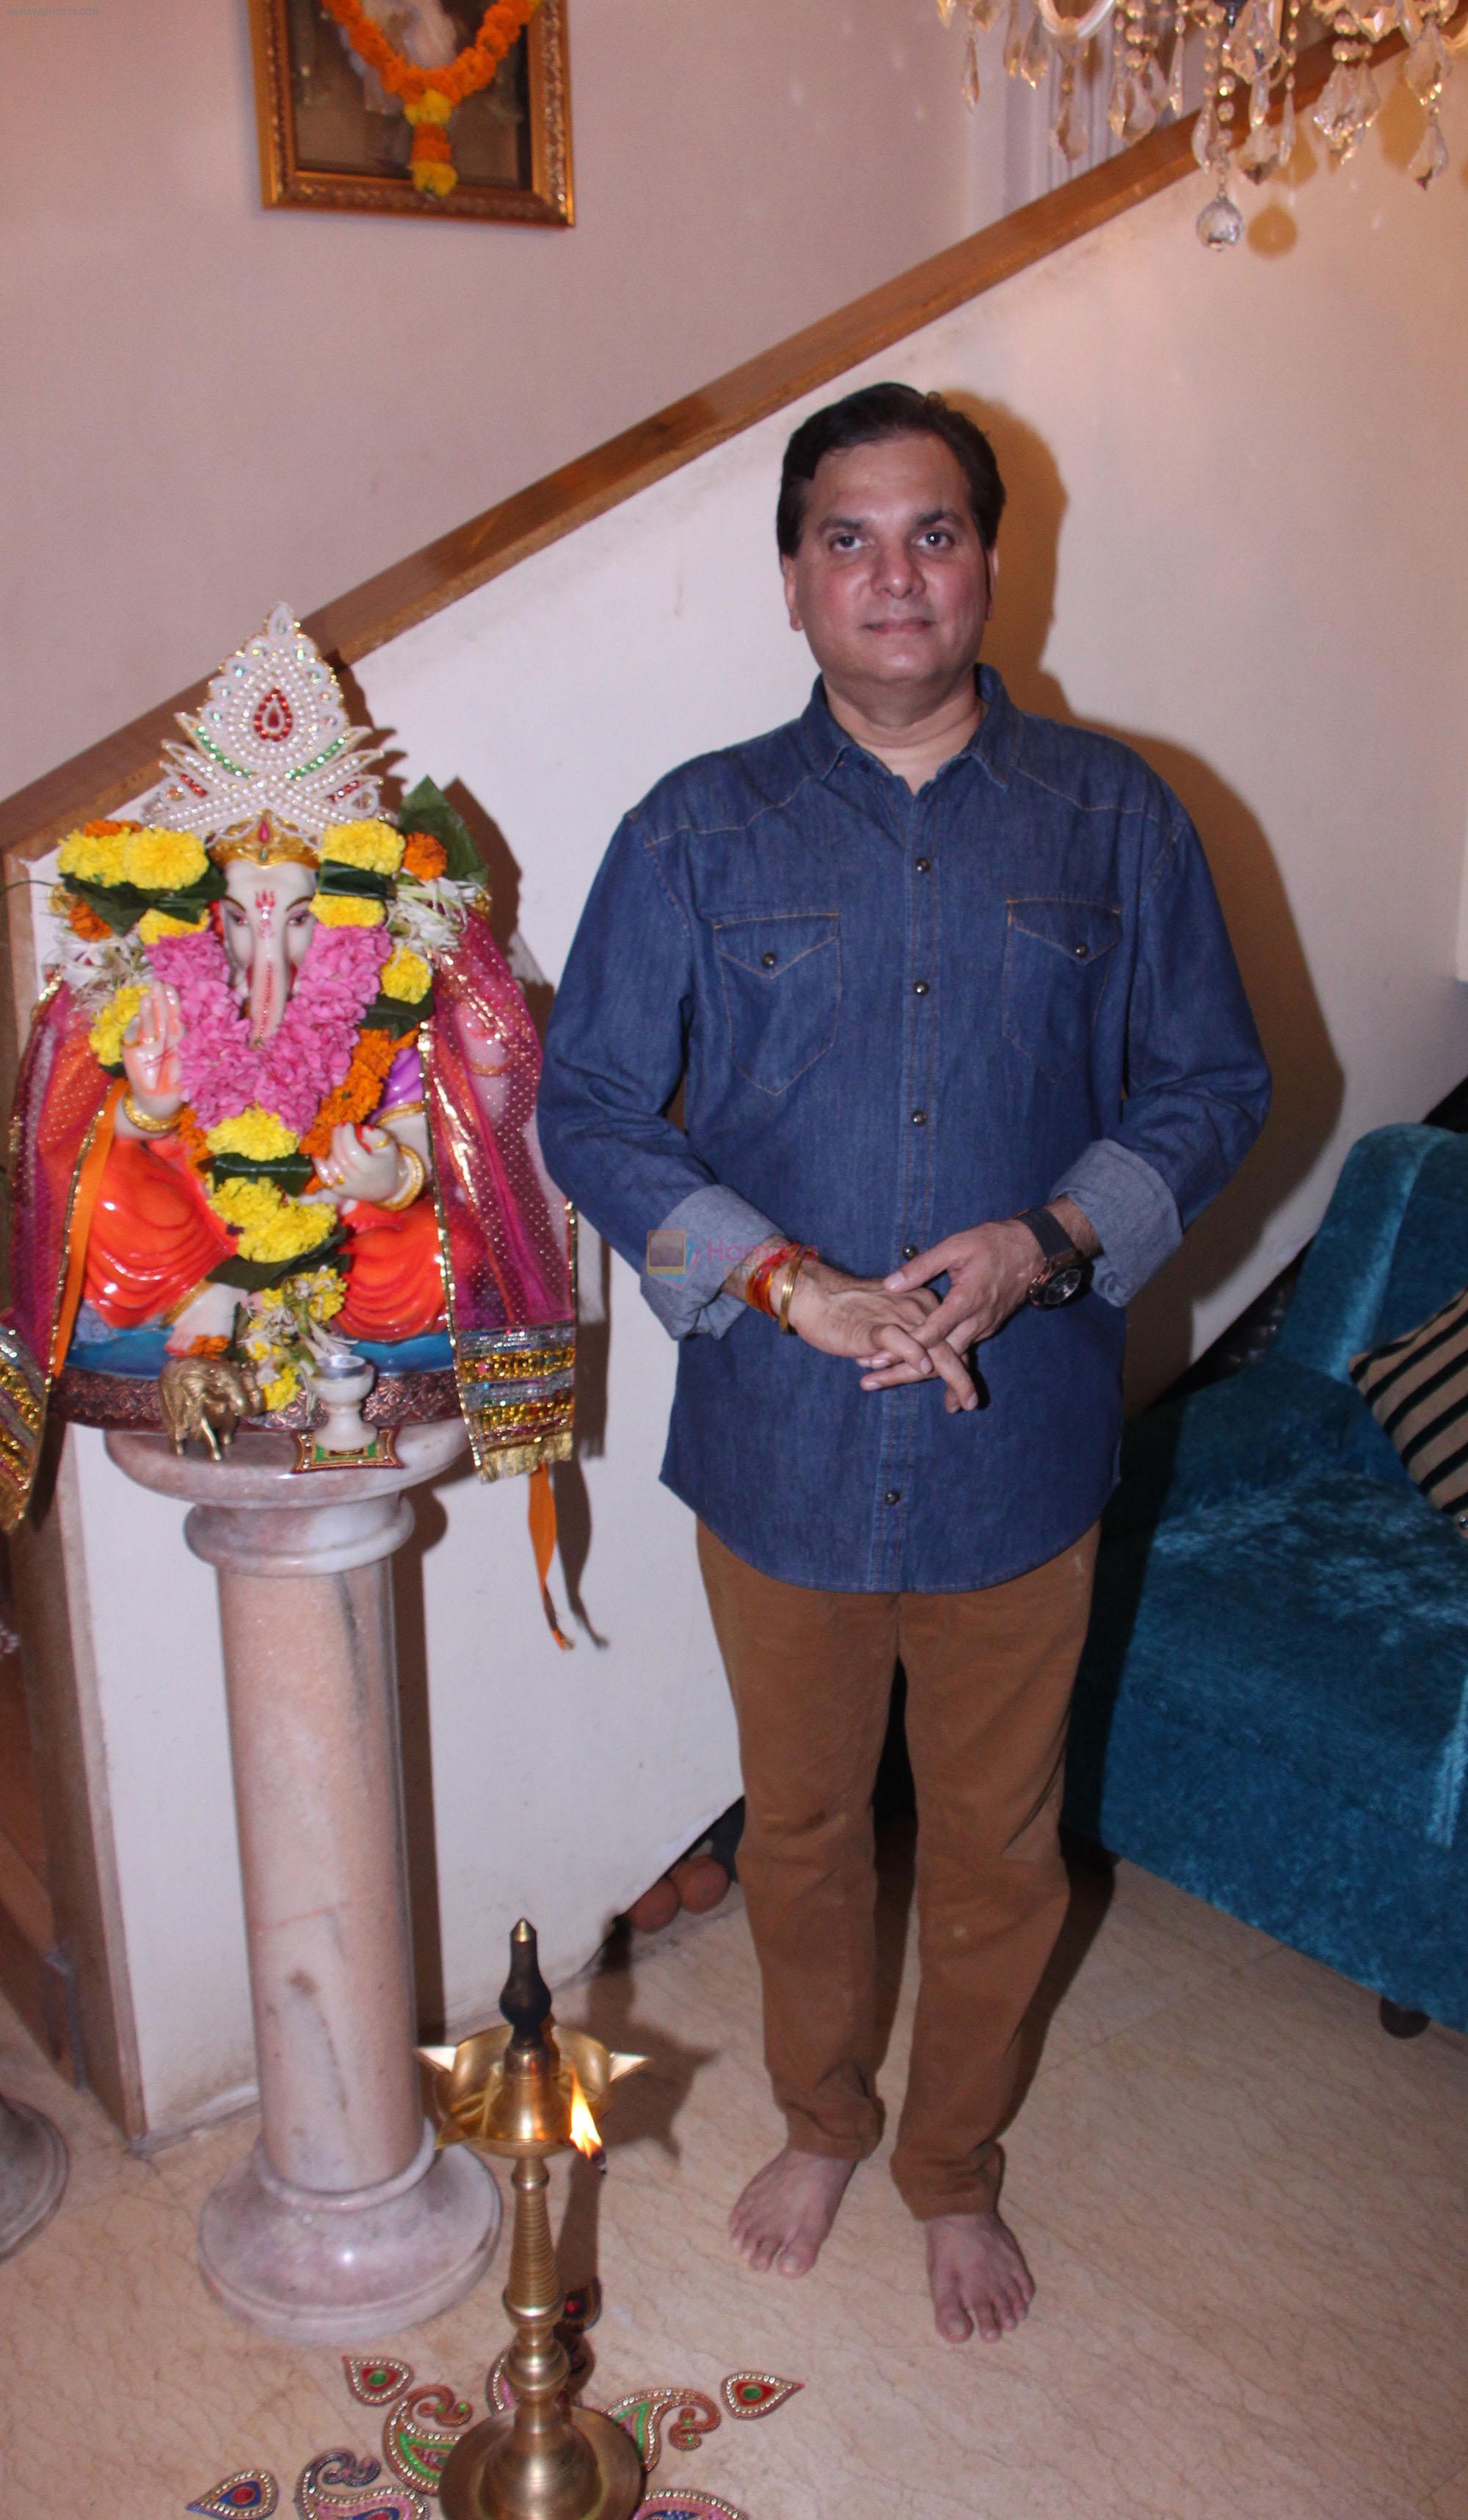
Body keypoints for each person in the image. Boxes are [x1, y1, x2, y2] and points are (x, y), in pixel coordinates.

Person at [538, 382, 1270, 2344]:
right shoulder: (692, 830)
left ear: (991, 560)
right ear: (793, 578)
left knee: (999, 1843)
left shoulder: (1122, 812)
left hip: (1020, 1446)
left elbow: (1214, 1079)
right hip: (777, 1444)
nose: (894, 574)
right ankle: (820, 2114)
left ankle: (953, 2165)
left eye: (932, 531)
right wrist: (779, 1279)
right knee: (793, 1831)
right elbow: (591, 1108)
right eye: (847, 537)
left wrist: (1049, 1238)